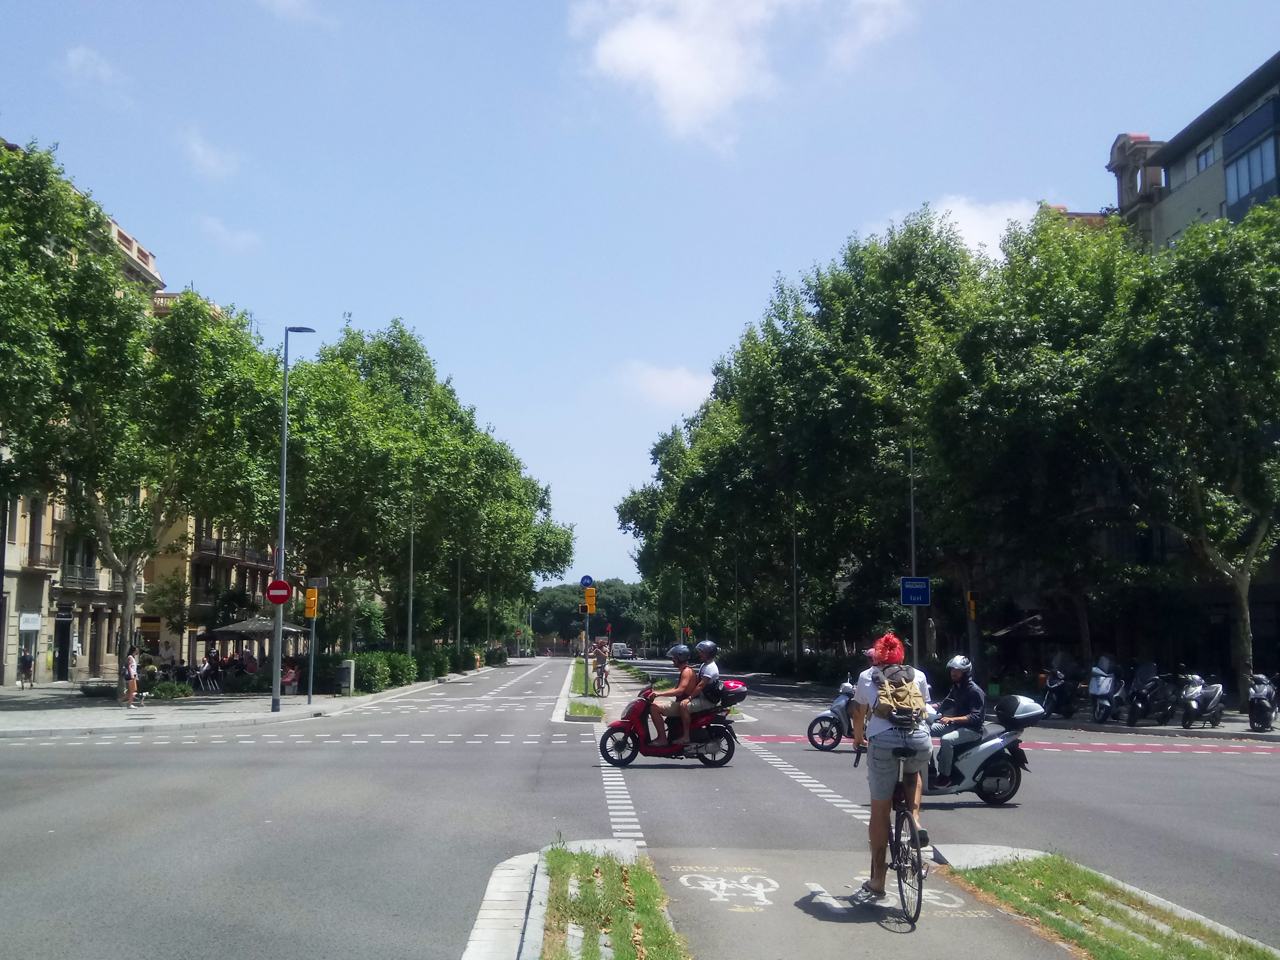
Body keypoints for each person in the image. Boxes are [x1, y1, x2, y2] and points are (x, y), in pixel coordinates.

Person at [851, 633, 931, 900]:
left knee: (880, 810)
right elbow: (924, 707)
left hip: (884, 741)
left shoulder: (867, 676)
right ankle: (915, 820)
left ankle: (878, 880)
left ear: (877, 656)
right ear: (900, 654)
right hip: (919, 740)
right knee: (913, 771)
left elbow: (858, 713)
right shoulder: (918, 675)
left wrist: (858, 739)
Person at [930, 655, 985, 787]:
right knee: (925, 730)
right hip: (955, 725)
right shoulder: (957, 687)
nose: (953, 673)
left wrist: (951, 719)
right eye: (952, 670)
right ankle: (930, 769)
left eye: (957, 670)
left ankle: (945, 776)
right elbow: (944, 704)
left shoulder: (974, 691)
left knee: (947, 740)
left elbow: (975, 717)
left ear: (965, 672)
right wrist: (927, 706)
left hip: (972, 730)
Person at [649, 645, 697, 747]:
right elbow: (676, 688)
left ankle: (662, 739)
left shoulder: (686, 672)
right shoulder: (685, 671)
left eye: (674, 657)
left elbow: (680, 691)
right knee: (654, 704)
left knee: (654, 708)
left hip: (682, 703)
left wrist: (659, 694)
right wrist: (658, 692)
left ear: (680, 657)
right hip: (680, 702)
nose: (673, 660)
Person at [680, 639, 721, 734]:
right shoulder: (705, 665)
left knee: (683, 706)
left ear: (710, 653)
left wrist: (689, 698)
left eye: (703, 652)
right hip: (703, 697)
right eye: (700, 651)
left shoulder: (710, 667)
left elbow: (701, 685)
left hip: (706, 700)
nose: (700, 654)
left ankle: (686, 735)